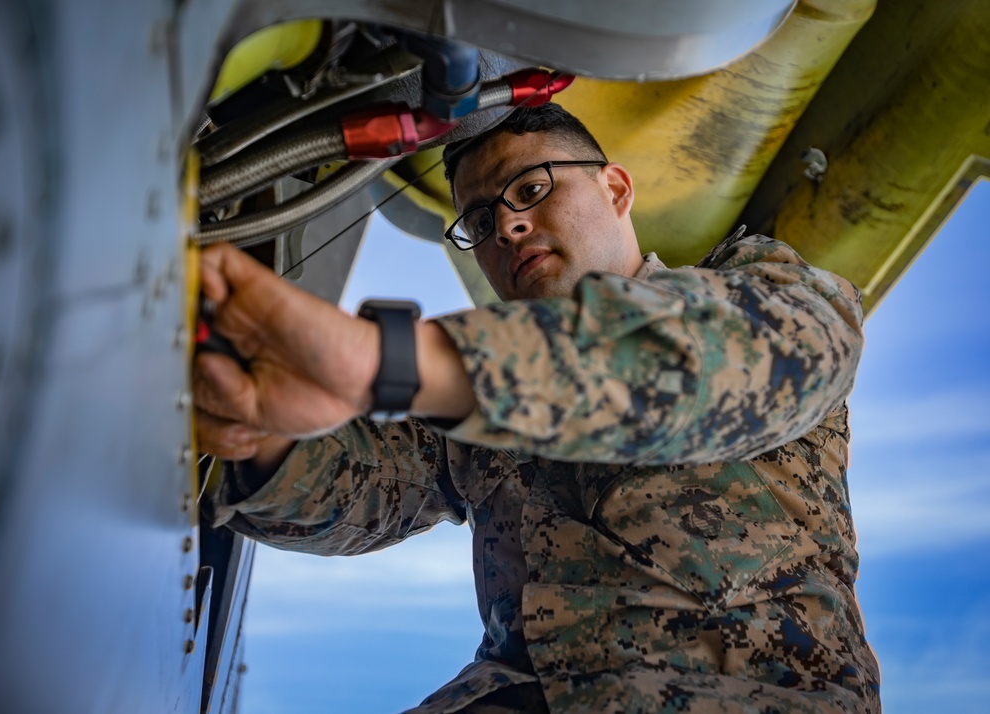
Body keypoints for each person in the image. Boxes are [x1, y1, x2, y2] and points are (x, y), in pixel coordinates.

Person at [195, 103, 881, 713]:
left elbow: (704, 355)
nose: (510, 226)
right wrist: (251, 431)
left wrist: (381, 359)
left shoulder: (763, 294)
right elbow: (364, 484)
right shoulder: (471, 418)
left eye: (531, 188)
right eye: (482, 220)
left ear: (615, 189)